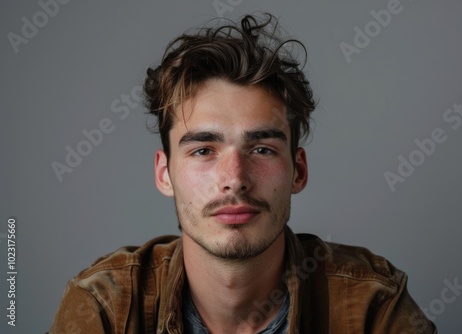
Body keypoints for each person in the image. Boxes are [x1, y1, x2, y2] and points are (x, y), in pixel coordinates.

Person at [49, 13, 437, 334]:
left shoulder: (372, 306)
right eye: (203, 150)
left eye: (262, 149)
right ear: (165, 174)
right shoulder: (106, 307)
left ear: (298, 171)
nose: (235, 178)